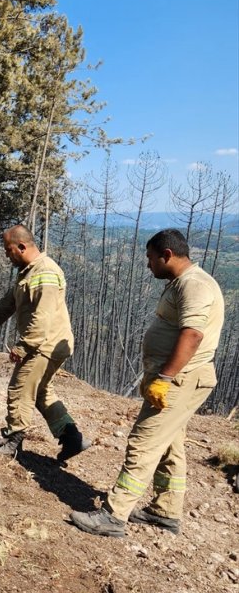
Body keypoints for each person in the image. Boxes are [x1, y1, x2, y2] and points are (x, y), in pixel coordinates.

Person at [71, 229, 224, 538]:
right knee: (170, 444)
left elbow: (193, 334)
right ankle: (165, 511)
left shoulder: (194, 285)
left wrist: (165, 378)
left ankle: (114, 515)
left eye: (151, 258)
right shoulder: (182, 283)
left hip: (182, 379)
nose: (148, 264)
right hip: (177, 379)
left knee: (144, 442)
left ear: (167, 255)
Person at [0, 225, 90, 461]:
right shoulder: (29, 272)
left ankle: (13, 441)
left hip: (44, 345)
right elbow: (8, 303)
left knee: (19, 389)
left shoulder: (46, 272)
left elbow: (41, 318)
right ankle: (72, 438)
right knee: (42, 392)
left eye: (8, 249)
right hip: (46, 343)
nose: (6, 254)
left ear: (22, 247)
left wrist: (24, 346)